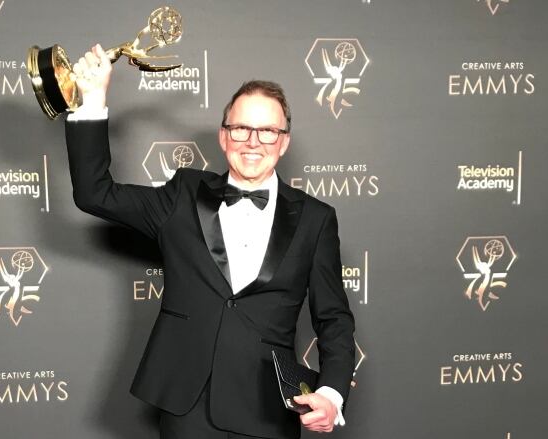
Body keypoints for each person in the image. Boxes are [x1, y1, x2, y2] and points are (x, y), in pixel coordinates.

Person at [64, 44, 356, 439]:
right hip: (189, 406)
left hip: (268, 410)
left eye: (268, 131)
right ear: (223, 136)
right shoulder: (183, 194)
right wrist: (94, 97)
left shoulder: (316, 219)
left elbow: (333, 318)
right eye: (240, 128)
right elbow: (95, 194)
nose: (253, 141)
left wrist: (332, 392)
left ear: (284, 141)